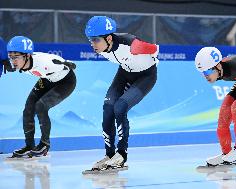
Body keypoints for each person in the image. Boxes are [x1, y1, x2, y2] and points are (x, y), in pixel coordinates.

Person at [84, 16, 159, 170]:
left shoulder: (130, 44)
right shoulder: (103, 48)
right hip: (125, 73)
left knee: (120, 107)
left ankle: (122, 154)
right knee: (108, 109)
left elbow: (155, 49)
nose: (92, 44)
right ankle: (110, 155)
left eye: (95, 40)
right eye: (90, 40)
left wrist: (145, 50)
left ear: (109, 38)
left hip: (146, 76)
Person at [7, 36, 77, 158]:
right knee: (28, 108)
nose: (13, 61)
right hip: (47, 79)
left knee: (41, 106)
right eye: (11, 57)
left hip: (66, 82)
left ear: (27, 55)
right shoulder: (19, 63)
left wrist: (67, 63)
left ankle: (44, 144)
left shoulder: (45, 63)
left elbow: (56, 60)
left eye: (16, 57)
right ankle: (29, 145)